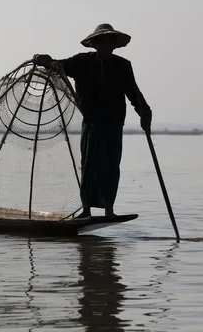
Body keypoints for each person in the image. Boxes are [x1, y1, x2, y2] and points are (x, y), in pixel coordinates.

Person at [32, 23, 152, 218]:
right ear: (95, 44)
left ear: (114, 45)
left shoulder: (122, 66)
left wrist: (144, 113)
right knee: (88, 164)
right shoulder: (82, 62)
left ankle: (109, 210)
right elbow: (58, 65)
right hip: (91, 122)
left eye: (110, 43)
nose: (107, 46)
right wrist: (45, 60)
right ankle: (86, 210)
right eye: (103, 42)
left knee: (111, 165)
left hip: (113, 122)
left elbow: (134, 93)